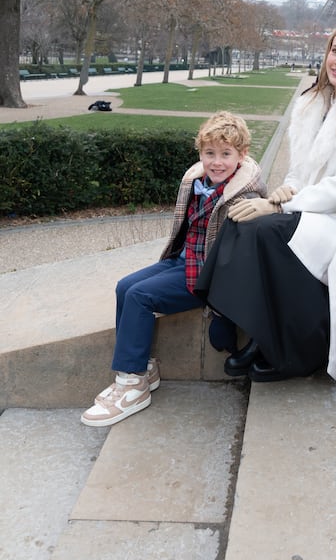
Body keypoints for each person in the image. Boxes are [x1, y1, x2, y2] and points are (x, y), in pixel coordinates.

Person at [194, 22, 336, 382]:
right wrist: (285, 191)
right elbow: (299, 171)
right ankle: (247, 328)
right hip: (310, 208)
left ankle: (292, 352)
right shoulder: (313, 102)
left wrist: (280, 206)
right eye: (335, 51)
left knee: (266, 231)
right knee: (240, 220)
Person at [81, 111, 266, 426]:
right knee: (125, 286)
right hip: (184, 260)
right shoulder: (196, 182)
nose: (216, 162)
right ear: (200, 153)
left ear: (242, 155)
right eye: (209, 153)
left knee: (140, 296)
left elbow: (242, 261)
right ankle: (143, 367)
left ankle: (132, 385)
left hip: (208, 276)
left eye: (226, 154)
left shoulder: (244, 196)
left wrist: (223, 314)